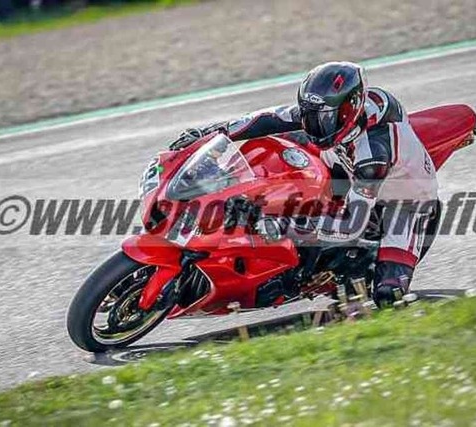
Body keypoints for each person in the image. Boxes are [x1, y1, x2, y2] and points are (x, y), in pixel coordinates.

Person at [170, 62, 439, 307]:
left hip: (404, 201)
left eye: (324, 119)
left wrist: (281, 225)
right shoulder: (331, 113)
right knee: (276, 154)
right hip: (343, 161)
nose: (315, 125)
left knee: (388, 296)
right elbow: (269, 118)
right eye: (310, 116)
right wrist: (210, 133)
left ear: (349, 110)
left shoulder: (374, 154)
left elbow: (350, 226)